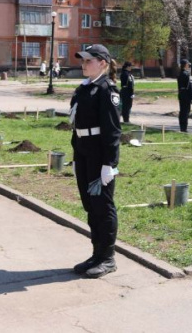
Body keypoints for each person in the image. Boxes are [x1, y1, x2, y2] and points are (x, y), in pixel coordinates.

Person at [70, 44, 121, 279]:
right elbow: (77, 124)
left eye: (88, 60)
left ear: (103, 63)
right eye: (82, 60)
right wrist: (76, 153)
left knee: (103, 206)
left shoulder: (106, 90)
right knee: (90, 206)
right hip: (84, 152)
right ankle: (97, 253)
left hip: (100, 155)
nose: (83, 64)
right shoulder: (84, 88)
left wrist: (109, 163)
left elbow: (112, 130)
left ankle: (108, 258)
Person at [177, 59, 192, 132]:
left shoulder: (179, 74)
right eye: (188, 64)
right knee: (186, 112)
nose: (188, 66)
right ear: (186, 65)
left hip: (181, 94)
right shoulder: (187, 74)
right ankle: (184, 128)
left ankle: (182, 127)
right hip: (187, 95)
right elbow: (190, 87)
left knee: (182, 111)